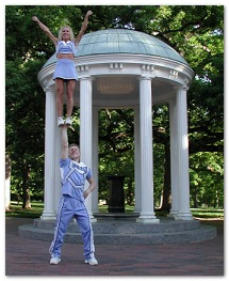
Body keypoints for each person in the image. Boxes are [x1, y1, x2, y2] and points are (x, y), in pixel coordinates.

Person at [48, 124, 98, 265]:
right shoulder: (65, 163)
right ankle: (56, 254)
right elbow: (64, 145)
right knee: (60, 229)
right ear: (69, 153)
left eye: (76, 149)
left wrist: (88, 191)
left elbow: (93, 183)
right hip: (67, 202)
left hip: (80, 203)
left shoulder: (85, 168)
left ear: (80, 153)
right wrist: (64, 129)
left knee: (88, 229)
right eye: (71, 149)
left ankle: (89, 256)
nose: (73, 150)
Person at [32, 11, 93, 126]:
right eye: (63, 31)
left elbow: (83, 29)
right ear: (61, 33)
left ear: (70, 33)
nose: (65, 32)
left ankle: (69, 117)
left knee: (70, 93)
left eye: (67, 31)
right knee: (59, 92)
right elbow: (47, 31)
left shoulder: (74, 43)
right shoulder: (58, 43)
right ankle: (60, 118)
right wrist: (38, 21)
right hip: (60, 67)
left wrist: (86, 17)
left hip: (70, 67)